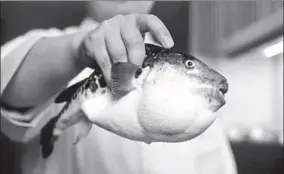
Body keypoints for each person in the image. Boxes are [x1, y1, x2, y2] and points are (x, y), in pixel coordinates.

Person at [1, 1, 237, 174]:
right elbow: (9, 83)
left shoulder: (194, 90)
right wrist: (76, 51)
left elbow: (216, 165)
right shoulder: (49, 46)